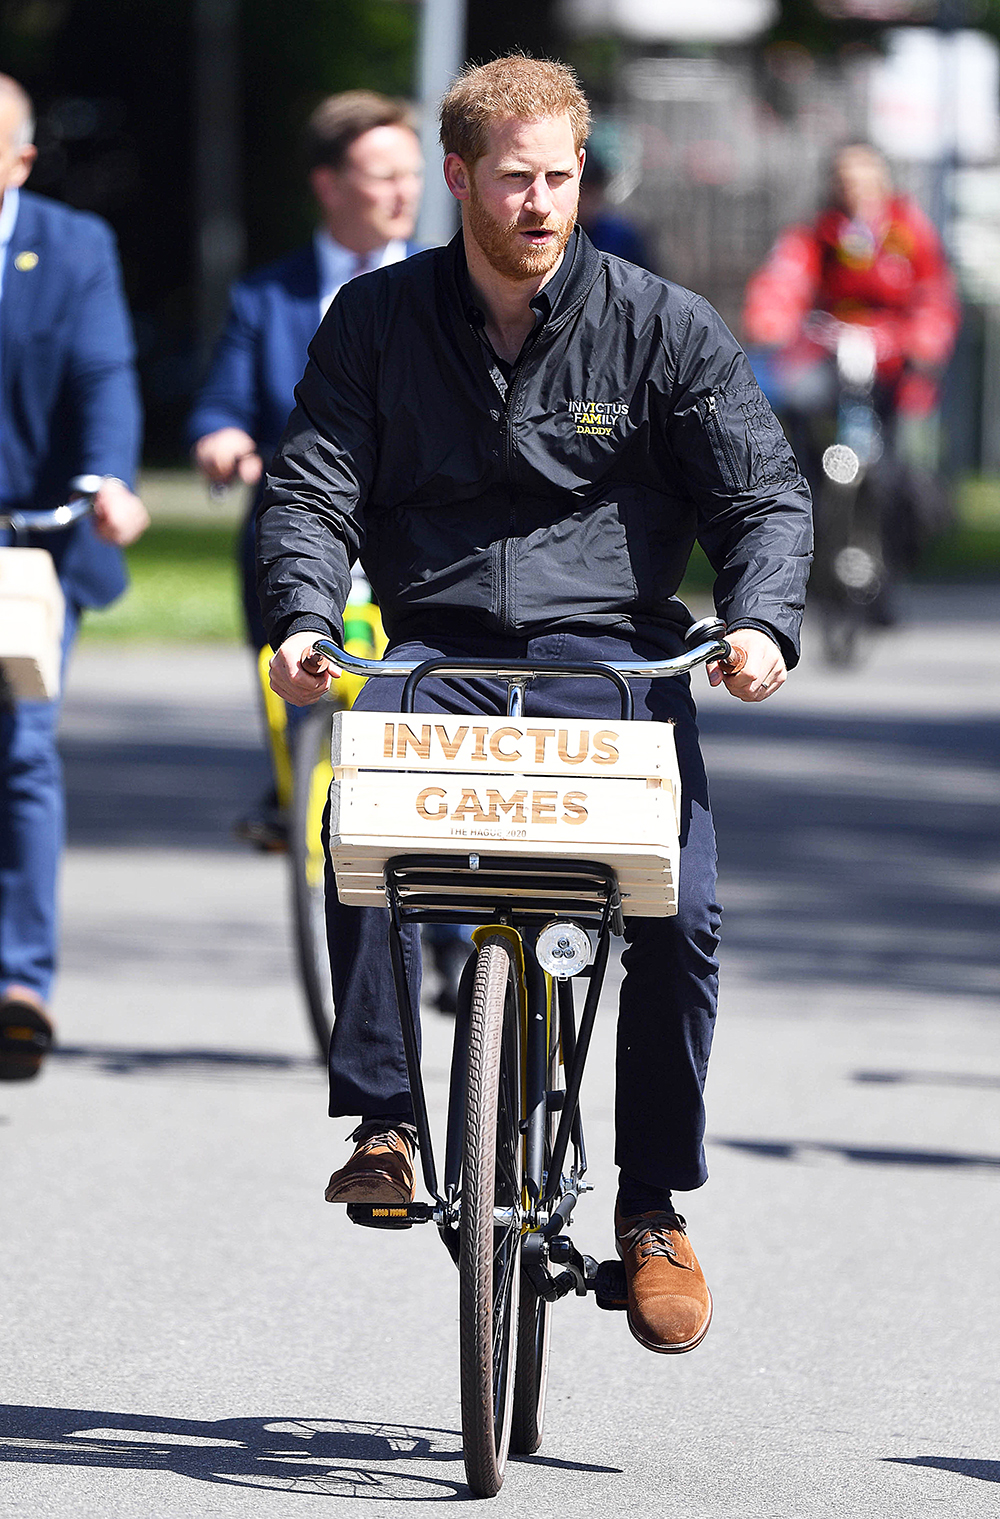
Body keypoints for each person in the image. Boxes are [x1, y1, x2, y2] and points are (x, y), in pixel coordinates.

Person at [258, 56, 812, 1356]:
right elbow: (312, 487)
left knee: (684, 905)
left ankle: (653, 1205)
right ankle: (388, 1120)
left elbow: (764, 494)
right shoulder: (375, 321)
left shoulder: (662, 324)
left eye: (560, 177)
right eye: (515, 178)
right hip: (440, 645)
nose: (541, 202)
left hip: (612, 659)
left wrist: (760, 623)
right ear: (458, 179)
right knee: (365, 844)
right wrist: (298, 613)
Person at [189, 90, 424, 849]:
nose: (404, 193)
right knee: (294, 665)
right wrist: (223, 436)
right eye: (383, 175)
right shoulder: (268, 296)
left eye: (413, 175)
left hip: (415, 533)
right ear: (328, 184)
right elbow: (221, 401)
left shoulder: (446, 289)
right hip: (299, 520)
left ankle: (453, 898)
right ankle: (296, 783)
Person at [0, 75, 148, 1081]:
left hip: (31, 550)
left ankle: (20, 982)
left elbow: (105, 380)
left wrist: (110, 481)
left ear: (18, 157)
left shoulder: (73, 246)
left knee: (22, 745)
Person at [743, 142, 959, 619]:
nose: (855, 190)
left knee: (892, 474)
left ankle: (886, 574)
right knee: (797, 413)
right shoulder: (818, 234)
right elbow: (784, 280)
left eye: (864, 179)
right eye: (845, 180)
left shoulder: (910, 233)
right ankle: (805, 512)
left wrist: (925, 339)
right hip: (829, 357)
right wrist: (773, 318)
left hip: (891, 371)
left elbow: (934, 294)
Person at [577, 148, 654, 270]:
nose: (585, 203)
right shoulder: (554, 237)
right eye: (581, 193)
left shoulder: (620, 237)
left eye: (591, 193)